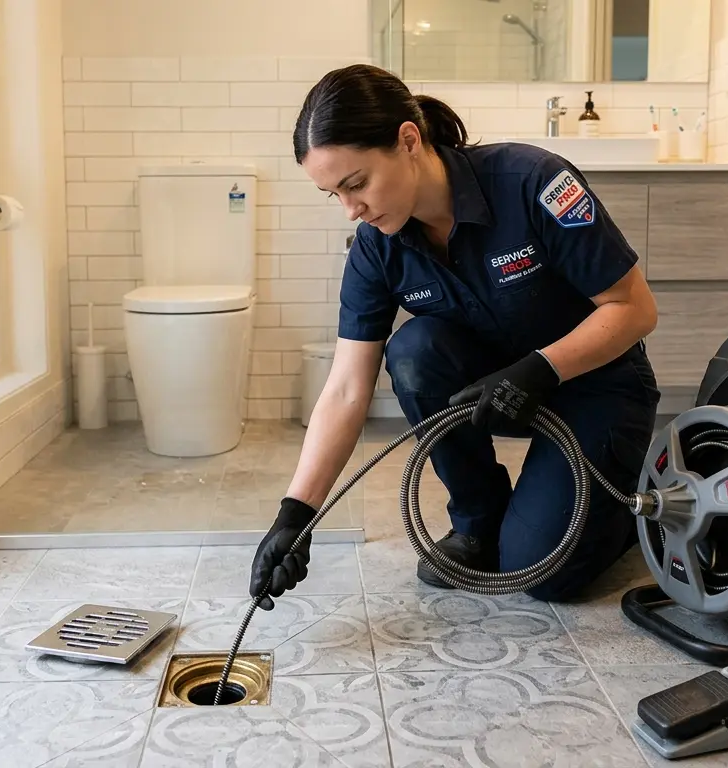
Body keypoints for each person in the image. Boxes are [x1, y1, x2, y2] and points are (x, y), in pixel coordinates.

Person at [248, 64, 662, 610]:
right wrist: (295, 513)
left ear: (409, 139)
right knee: (414, 352)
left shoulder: (532, 182)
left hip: (595, 387)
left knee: (544, 576)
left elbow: (634, 309)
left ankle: (624, 508)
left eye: (357, 184)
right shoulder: (377, 246)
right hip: (493, 394)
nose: (353, 210)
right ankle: (478, 522)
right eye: (335, 195)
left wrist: (539, 369)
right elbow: (348, 387)